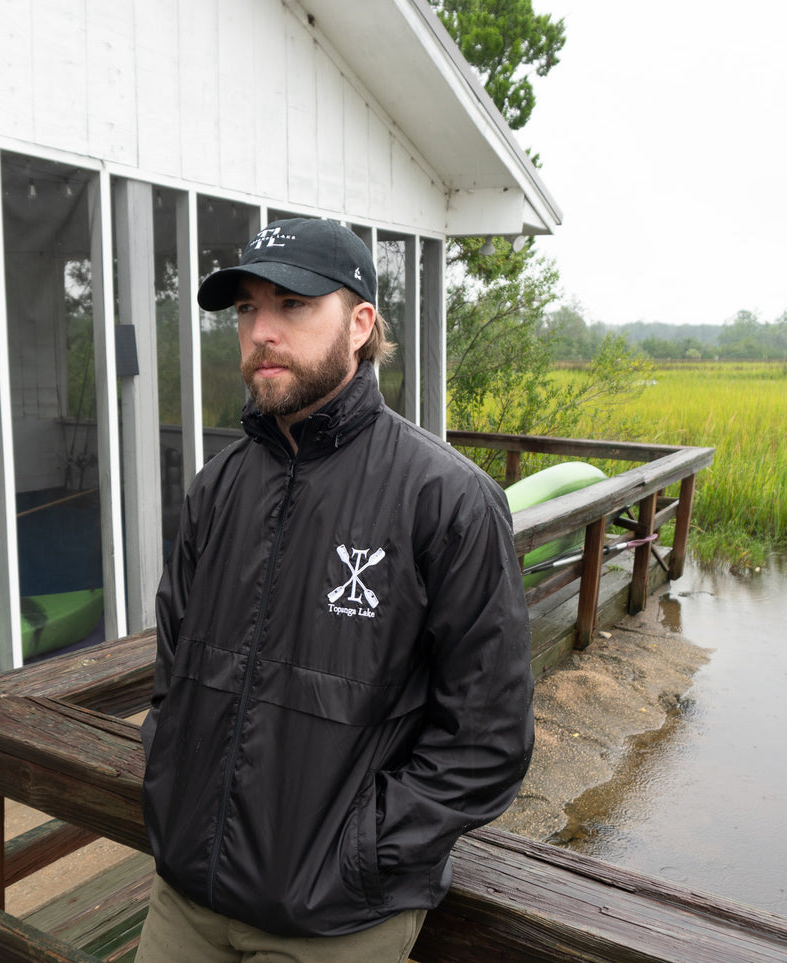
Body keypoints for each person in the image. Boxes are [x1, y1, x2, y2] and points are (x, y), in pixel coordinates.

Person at [137, 218, 533, 962]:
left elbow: (487, 739)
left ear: (359, 325)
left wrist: (358, 853)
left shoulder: (445, 499)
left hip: (335, 921)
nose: (261, 331)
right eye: (247, 309)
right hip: (184, 897)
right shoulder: (215, 489)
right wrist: (171, 787)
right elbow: (173, 679)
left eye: (292, 304)